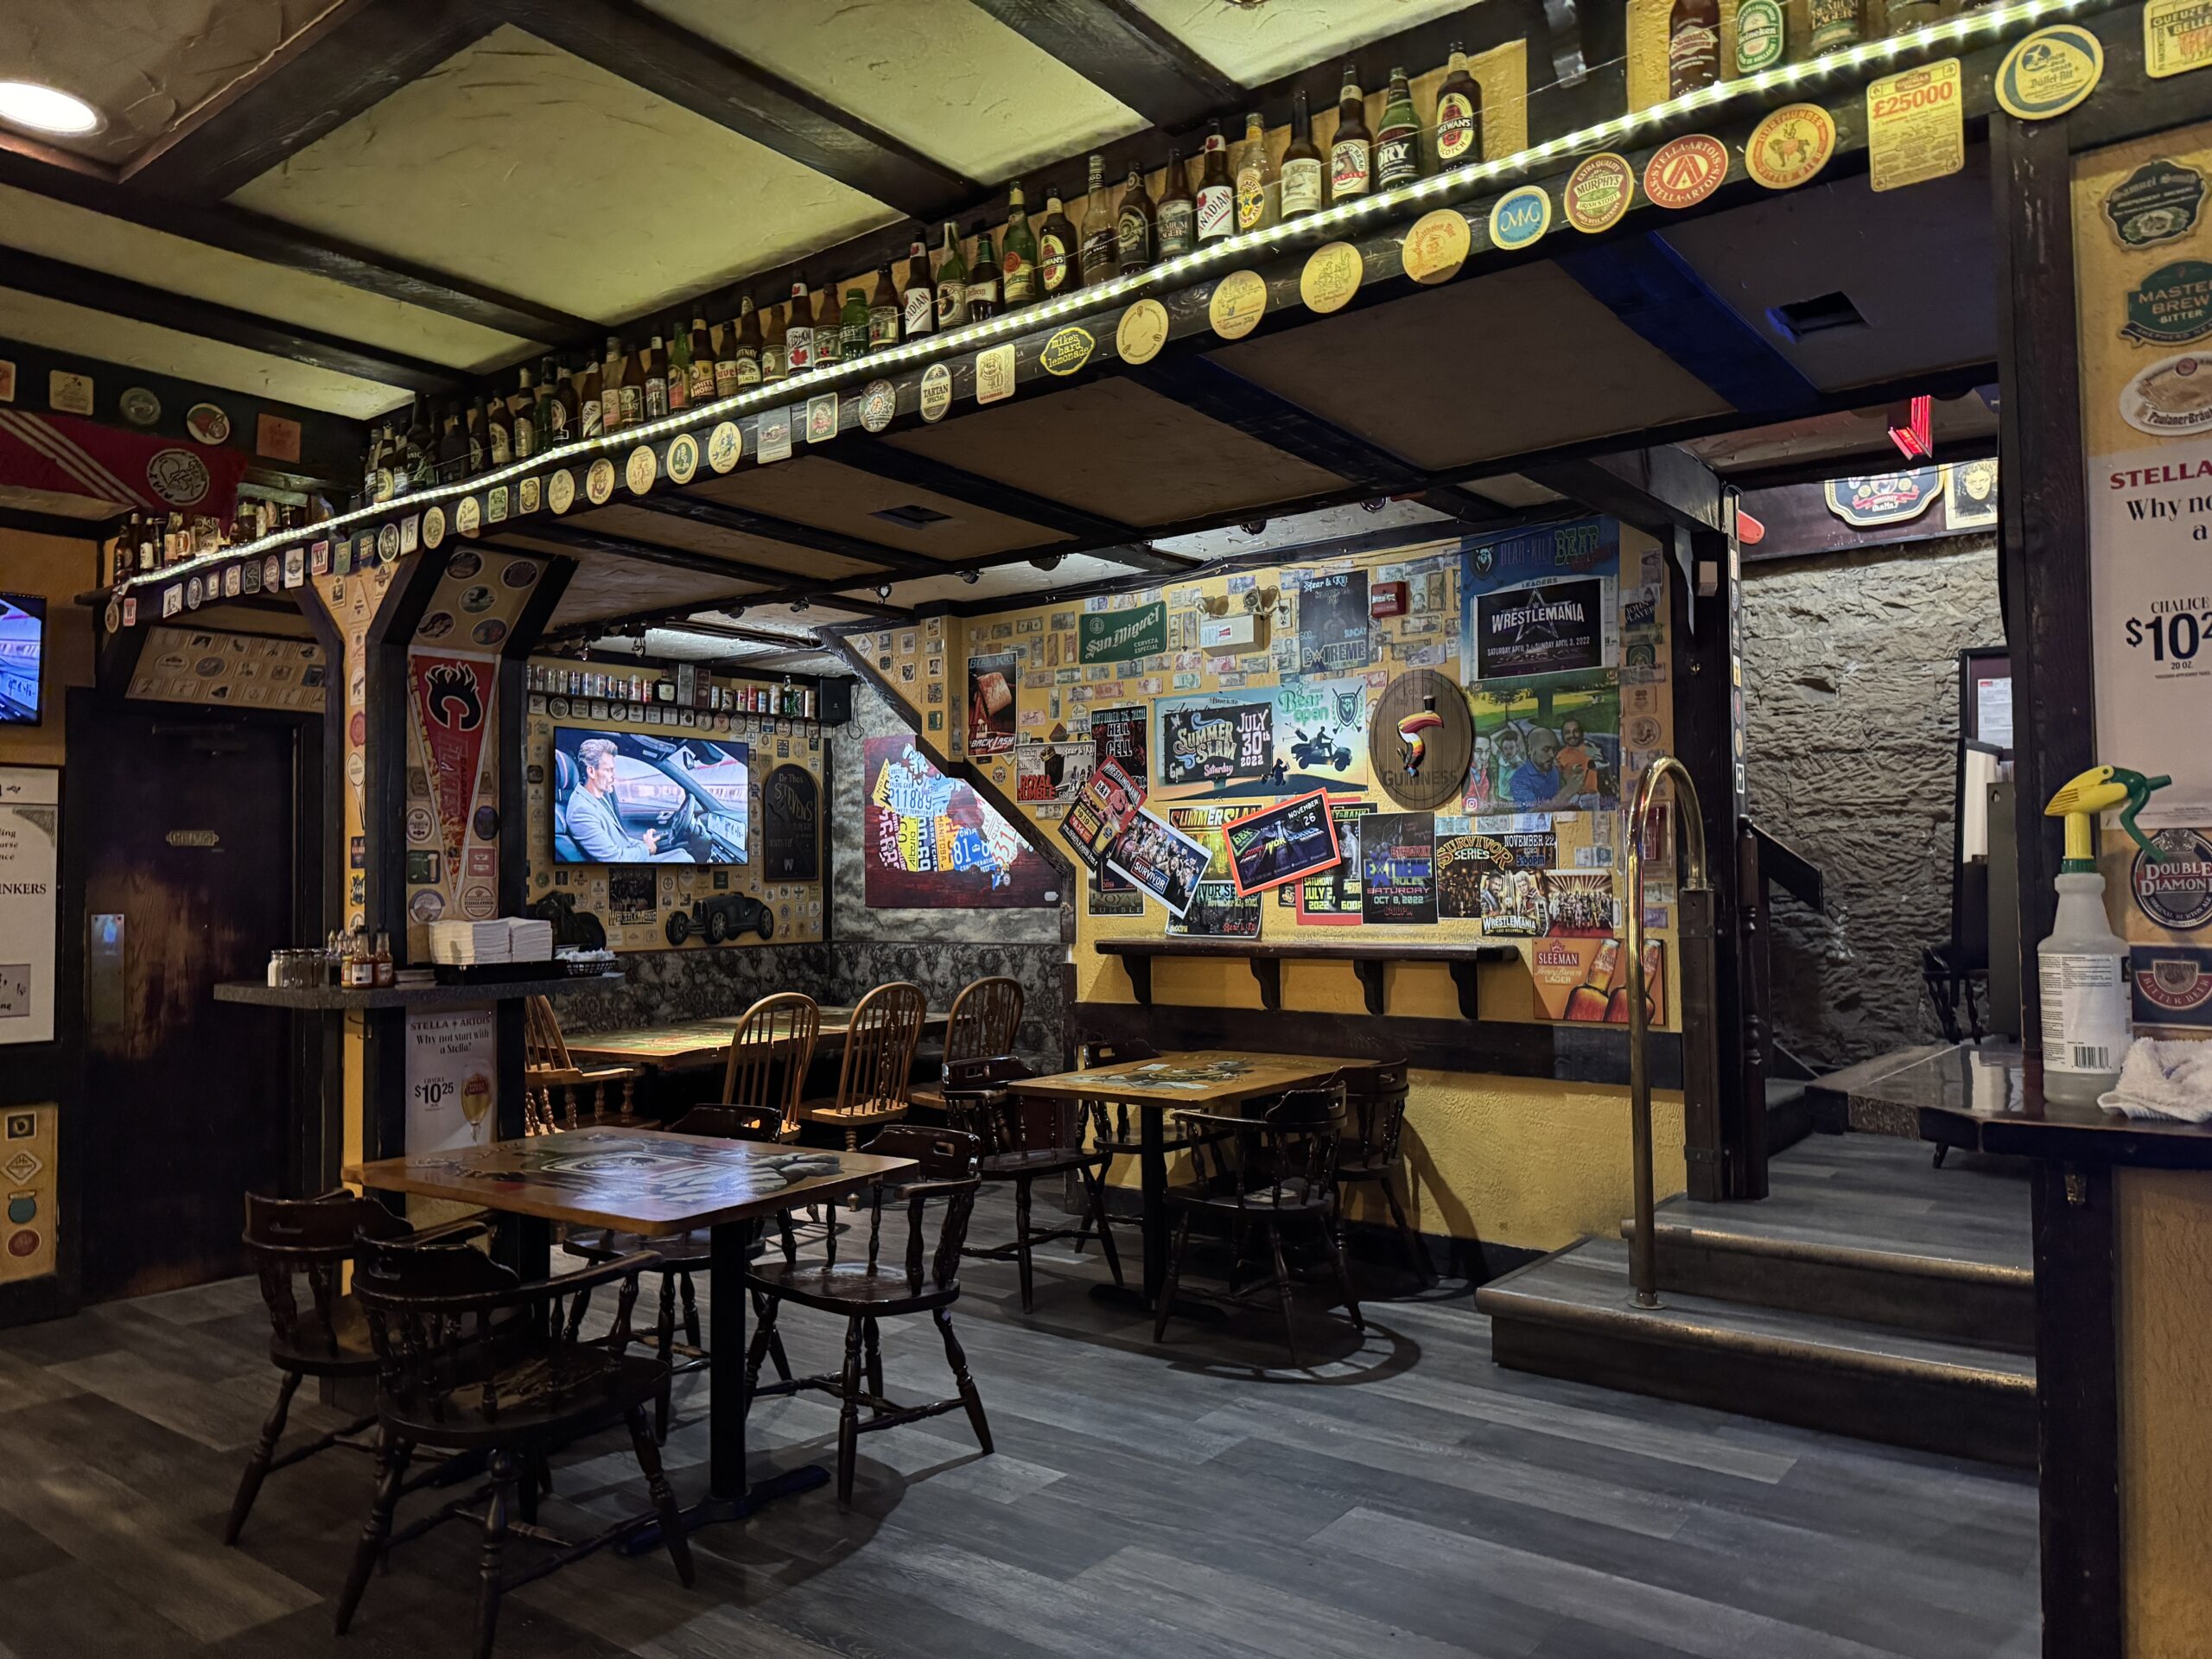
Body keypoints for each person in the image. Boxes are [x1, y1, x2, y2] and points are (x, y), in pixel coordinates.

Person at [567, 737, 692, 862]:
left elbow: (621, 840)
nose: (613, 776)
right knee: (685, 860)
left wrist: (644, 845)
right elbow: (615, 859)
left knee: (681, 853)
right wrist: (646, 849)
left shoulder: (596, 797)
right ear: (591, 771)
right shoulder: (581, 811)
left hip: (627, 858)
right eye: (608, 770)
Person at [1507, 726, 1565, 808]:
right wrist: (1568, 792)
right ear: (1531, 750)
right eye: (1546, 750)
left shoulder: (1553, 770)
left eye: (1554, 750)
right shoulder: (1519, 779)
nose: (1552, 755)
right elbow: (1531, 813)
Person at [1555, 718, 1603, 798]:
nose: (1572, 735)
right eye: (1567, 732)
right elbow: (1558, 779)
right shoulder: (1561, 755)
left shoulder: (1589, 749)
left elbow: (1603, 767)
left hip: (1592, 796)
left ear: (1581, 733)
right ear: (1563, 735)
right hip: (1572, 797)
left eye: (1575, 731)